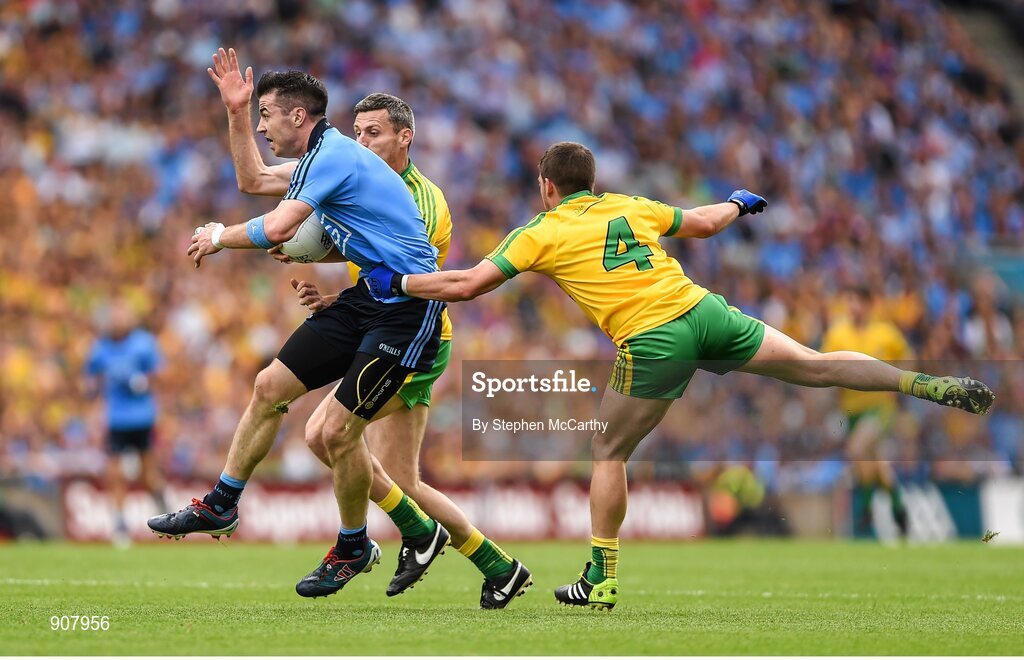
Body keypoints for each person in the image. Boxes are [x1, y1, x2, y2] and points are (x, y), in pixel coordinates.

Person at [363, 141, 996, 611]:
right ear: (592, 181)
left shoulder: (541, 231)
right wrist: (739, 203)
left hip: (652, 336)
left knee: (608, 449)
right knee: (816, 364)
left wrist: (398, 282)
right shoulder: (630, 205)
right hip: (704, 309)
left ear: (546, 187)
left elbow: (470, 285)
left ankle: (601, 576)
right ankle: (920, 383)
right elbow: (703, 221)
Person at [206, 47, 530, 608]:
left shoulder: (422, 199)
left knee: (327, 436)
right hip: (373, 315)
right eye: (356, 131)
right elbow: (258, 179)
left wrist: (321, 270)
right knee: (399, 476)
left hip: (416, 333)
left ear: (405, 138)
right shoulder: (346, 166)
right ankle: (496, 565)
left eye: (374, 132)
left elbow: (405, 275)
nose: (363, 142)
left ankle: (397, 539)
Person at [147, 64, 447, 602]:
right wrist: (236, 111)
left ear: (298, 116)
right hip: (365, 300)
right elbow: (252, 180)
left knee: (333, 433)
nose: (263, 127)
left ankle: (354, 545)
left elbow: (278, 228)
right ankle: (221, 502)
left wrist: (219, 235)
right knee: (268, 387)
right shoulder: (319, 158)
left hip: (406, 308)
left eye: (265, 115)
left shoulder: (332, 156)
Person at [822, 285, 914, 538]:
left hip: (879, 408)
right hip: (851, 410)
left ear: (868, 305)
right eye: (848, 301)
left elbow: (908, 358)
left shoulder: (885, 333)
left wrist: (898, 386)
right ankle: (899, 509)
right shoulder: (837, 333)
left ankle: (867, 506)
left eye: (857, 301)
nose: (853, 307)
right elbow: (824, 367)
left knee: (856, 450)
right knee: (877, 465)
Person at [85, 299, 166, 546]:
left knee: (147, 472)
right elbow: (90, 381)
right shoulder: (100, 348)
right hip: (116, 419)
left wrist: (143, 382)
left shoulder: (144, 343)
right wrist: (93, 402)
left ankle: (164, 511)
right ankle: (120, 524)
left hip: (142, 416)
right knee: (115, 473)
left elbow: (160, 376)